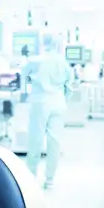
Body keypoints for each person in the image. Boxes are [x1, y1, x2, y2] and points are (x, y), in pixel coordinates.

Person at [21, 32, 72, 189]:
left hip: (40, 101)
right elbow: (69, 86)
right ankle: (50, 179)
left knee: (35, 139)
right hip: (58, 101)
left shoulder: (34, 61)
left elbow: (23, 78)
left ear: (43, 43)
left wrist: (24, 95)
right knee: (55, 142)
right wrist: (64, 99)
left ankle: (31, 176)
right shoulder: (63, 62)